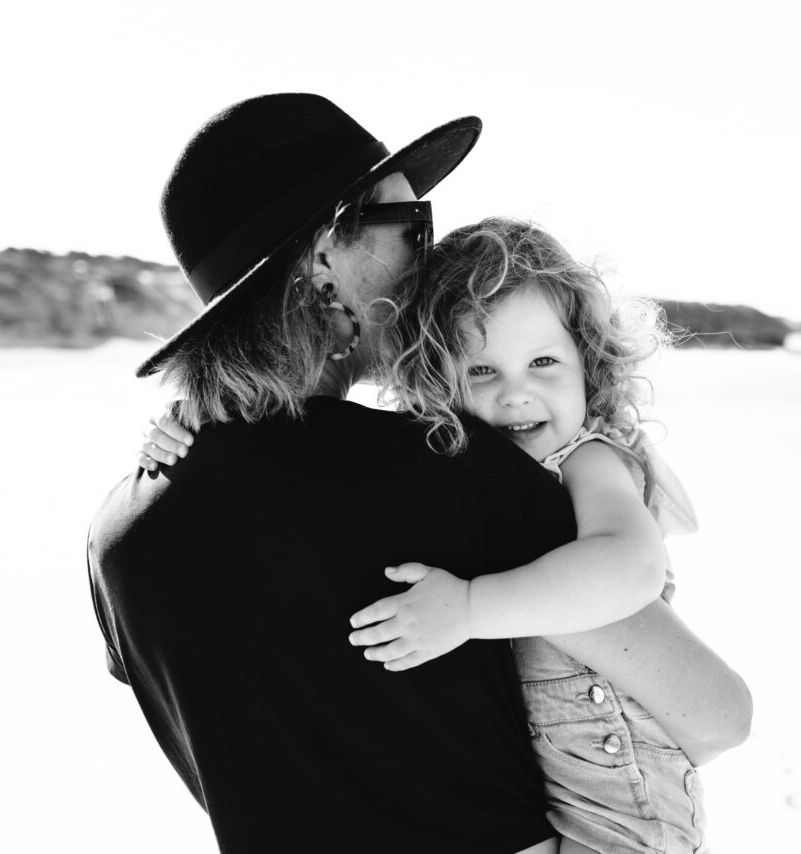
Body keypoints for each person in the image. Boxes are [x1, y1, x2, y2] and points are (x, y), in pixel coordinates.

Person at [140, 218, 753, 853]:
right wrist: (194, 416)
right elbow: (717, 717)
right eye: (481, 370)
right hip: (568, 786)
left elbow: (632, 568)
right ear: (439, 379)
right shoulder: (446, 463)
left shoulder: (586, 459)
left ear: (588, 363)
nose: (517, 393)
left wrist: (470, 608)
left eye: (544, 362)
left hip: (625, 798)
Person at [89, 94, 582, 854]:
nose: (432, 251)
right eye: (411, 227)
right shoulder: (456, 472)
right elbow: (712, 715)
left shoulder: (116, 534)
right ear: (325, 259)